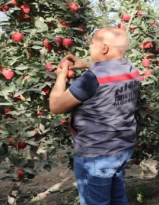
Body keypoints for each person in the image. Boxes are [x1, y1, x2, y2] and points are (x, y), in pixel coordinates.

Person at [50, 28, 140, 205]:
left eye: (92, 43)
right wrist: (85, 64)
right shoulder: (131, 69)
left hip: (96, 153)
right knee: (118, 197)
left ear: (104, 48)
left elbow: (55, 106)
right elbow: (108, 72)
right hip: (122, 148)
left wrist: (60, 77)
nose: (90, 47)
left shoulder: (91, 79)